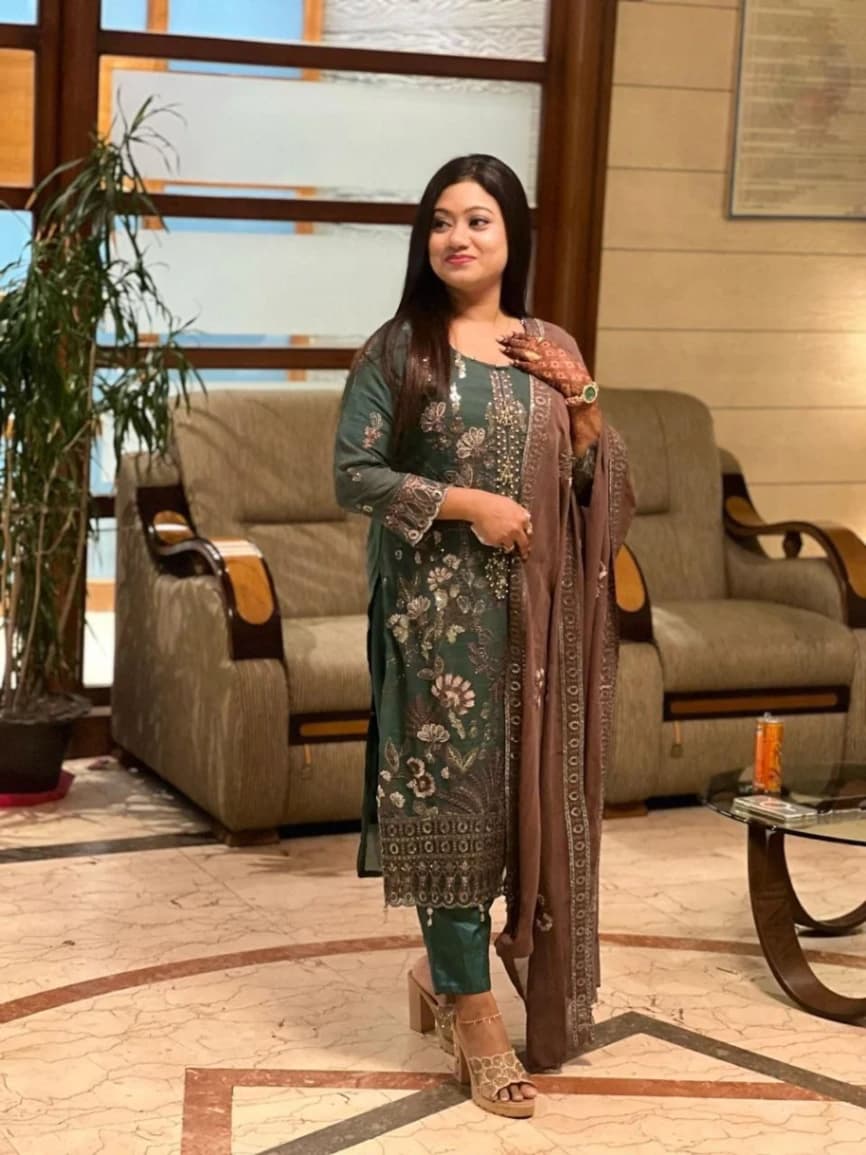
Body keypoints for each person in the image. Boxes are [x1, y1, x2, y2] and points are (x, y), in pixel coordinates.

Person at [333, 154, 633, 1119]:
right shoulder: (399, 350)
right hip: (438, 628)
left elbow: (593, 491)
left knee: (524, 807)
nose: (456, 237)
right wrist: (472, 505)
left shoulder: (548, 346)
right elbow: (353, 474)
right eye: (441, 221)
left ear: (512, 237)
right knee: (451, 811)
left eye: (478, 220)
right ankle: (472, 1012)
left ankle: (444, 972)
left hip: (539, 628)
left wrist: (585, 406)